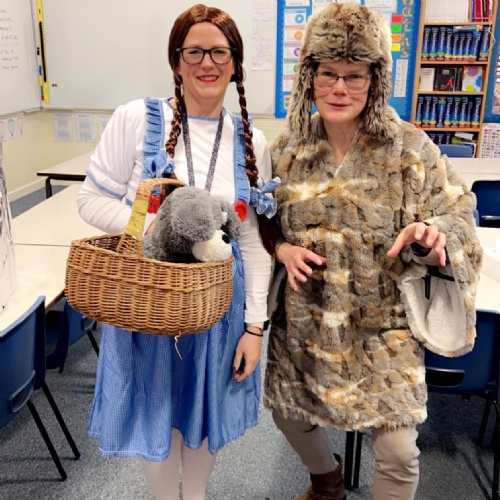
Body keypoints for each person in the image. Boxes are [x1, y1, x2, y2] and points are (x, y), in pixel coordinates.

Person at [262, 4, 483, 500]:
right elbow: (263, 222)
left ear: (374, 81)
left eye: (354, 75)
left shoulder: (409, 149)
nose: (340, 88)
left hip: (383, 326)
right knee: (286, 413)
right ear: (310, 78)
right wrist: (283, 249)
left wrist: (432, 235)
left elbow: (459, 212)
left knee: (399, 452)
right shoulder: (289, 150)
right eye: (328, 74)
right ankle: (327, 481)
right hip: (307, 323)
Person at [77, 5, 274, 499]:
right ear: (175, 60)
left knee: (204, 407)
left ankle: (197, 495)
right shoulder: (136, 119)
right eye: (194, 52)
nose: (207, 63)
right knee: (155, 406)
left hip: (217, 304)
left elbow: (253, 242)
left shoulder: (250, 140)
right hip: (149, 298)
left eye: (220, 52)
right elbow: (90, 200)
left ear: (235, 64)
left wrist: (255, 328)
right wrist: (154, 229)